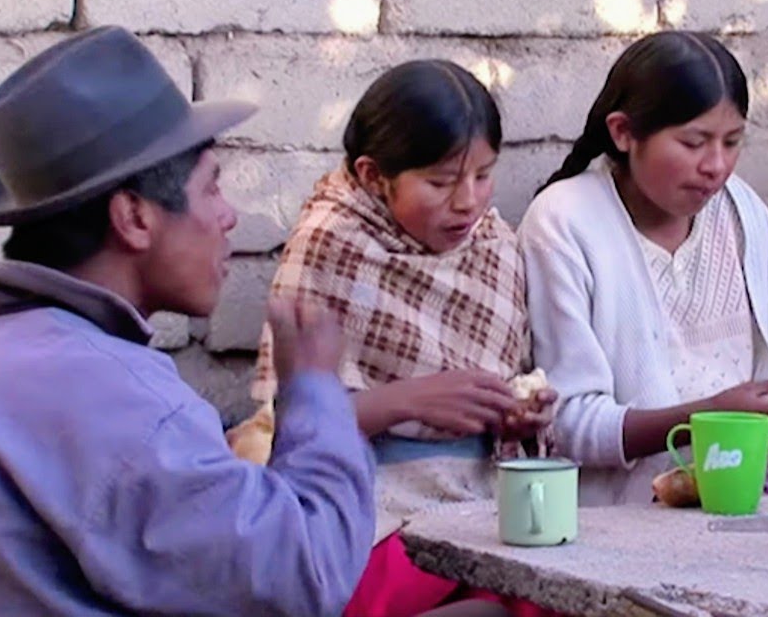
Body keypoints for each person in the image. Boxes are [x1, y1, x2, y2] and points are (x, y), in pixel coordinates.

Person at [0, 26, 375, 615]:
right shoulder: (108, 395)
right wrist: (313, 389)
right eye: (213, 187)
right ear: (133, 217)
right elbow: (304, 576)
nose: (229, 217)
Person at [231, 60, 553, 617]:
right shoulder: (332, 242)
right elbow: (286, 425)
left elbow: (500, 389)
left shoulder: (495, 246)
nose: (468, 201)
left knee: (550, 590)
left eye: (483, 175)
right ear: (374, 175)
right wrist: (408, 401)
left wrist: (515, 417)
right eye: (441, 182)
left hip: (483, 501)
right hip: (371, 507)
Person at [519, 31, 768, 507]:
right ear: (623, 133)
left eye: (732, 141)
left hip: (754, 476)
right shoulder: (565, 223)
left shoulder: (744, 215)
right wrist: (707, 419)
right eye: (693, 142)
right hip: (631, 504)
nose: (716, 166)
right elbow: (566, 424)